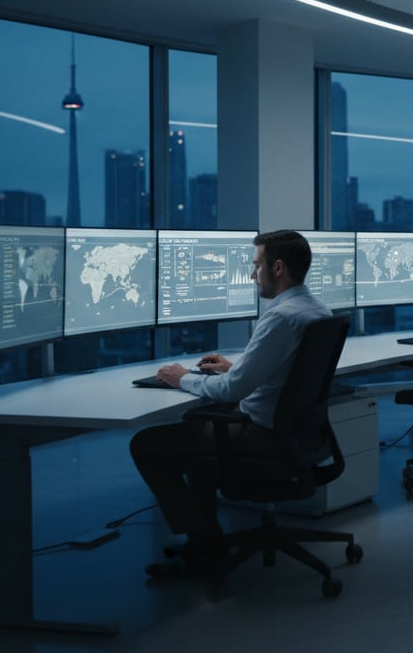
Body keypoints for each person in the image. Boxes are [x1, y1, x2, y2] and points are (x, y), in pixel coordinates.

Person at [131, 229, 331, 579]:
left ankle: (205, 544)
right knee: (196, 428)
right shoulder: (316, 309)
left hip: (264, 435)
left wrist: (182, 378)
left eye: (257, 265)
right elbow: (285, 371)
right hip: (298, 432)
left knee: (146, 444)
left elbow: (230, 391)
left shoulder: (280, 317)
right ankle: (205, 539)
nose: (253, 274)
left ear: (278, 267)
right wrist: (235, 367)